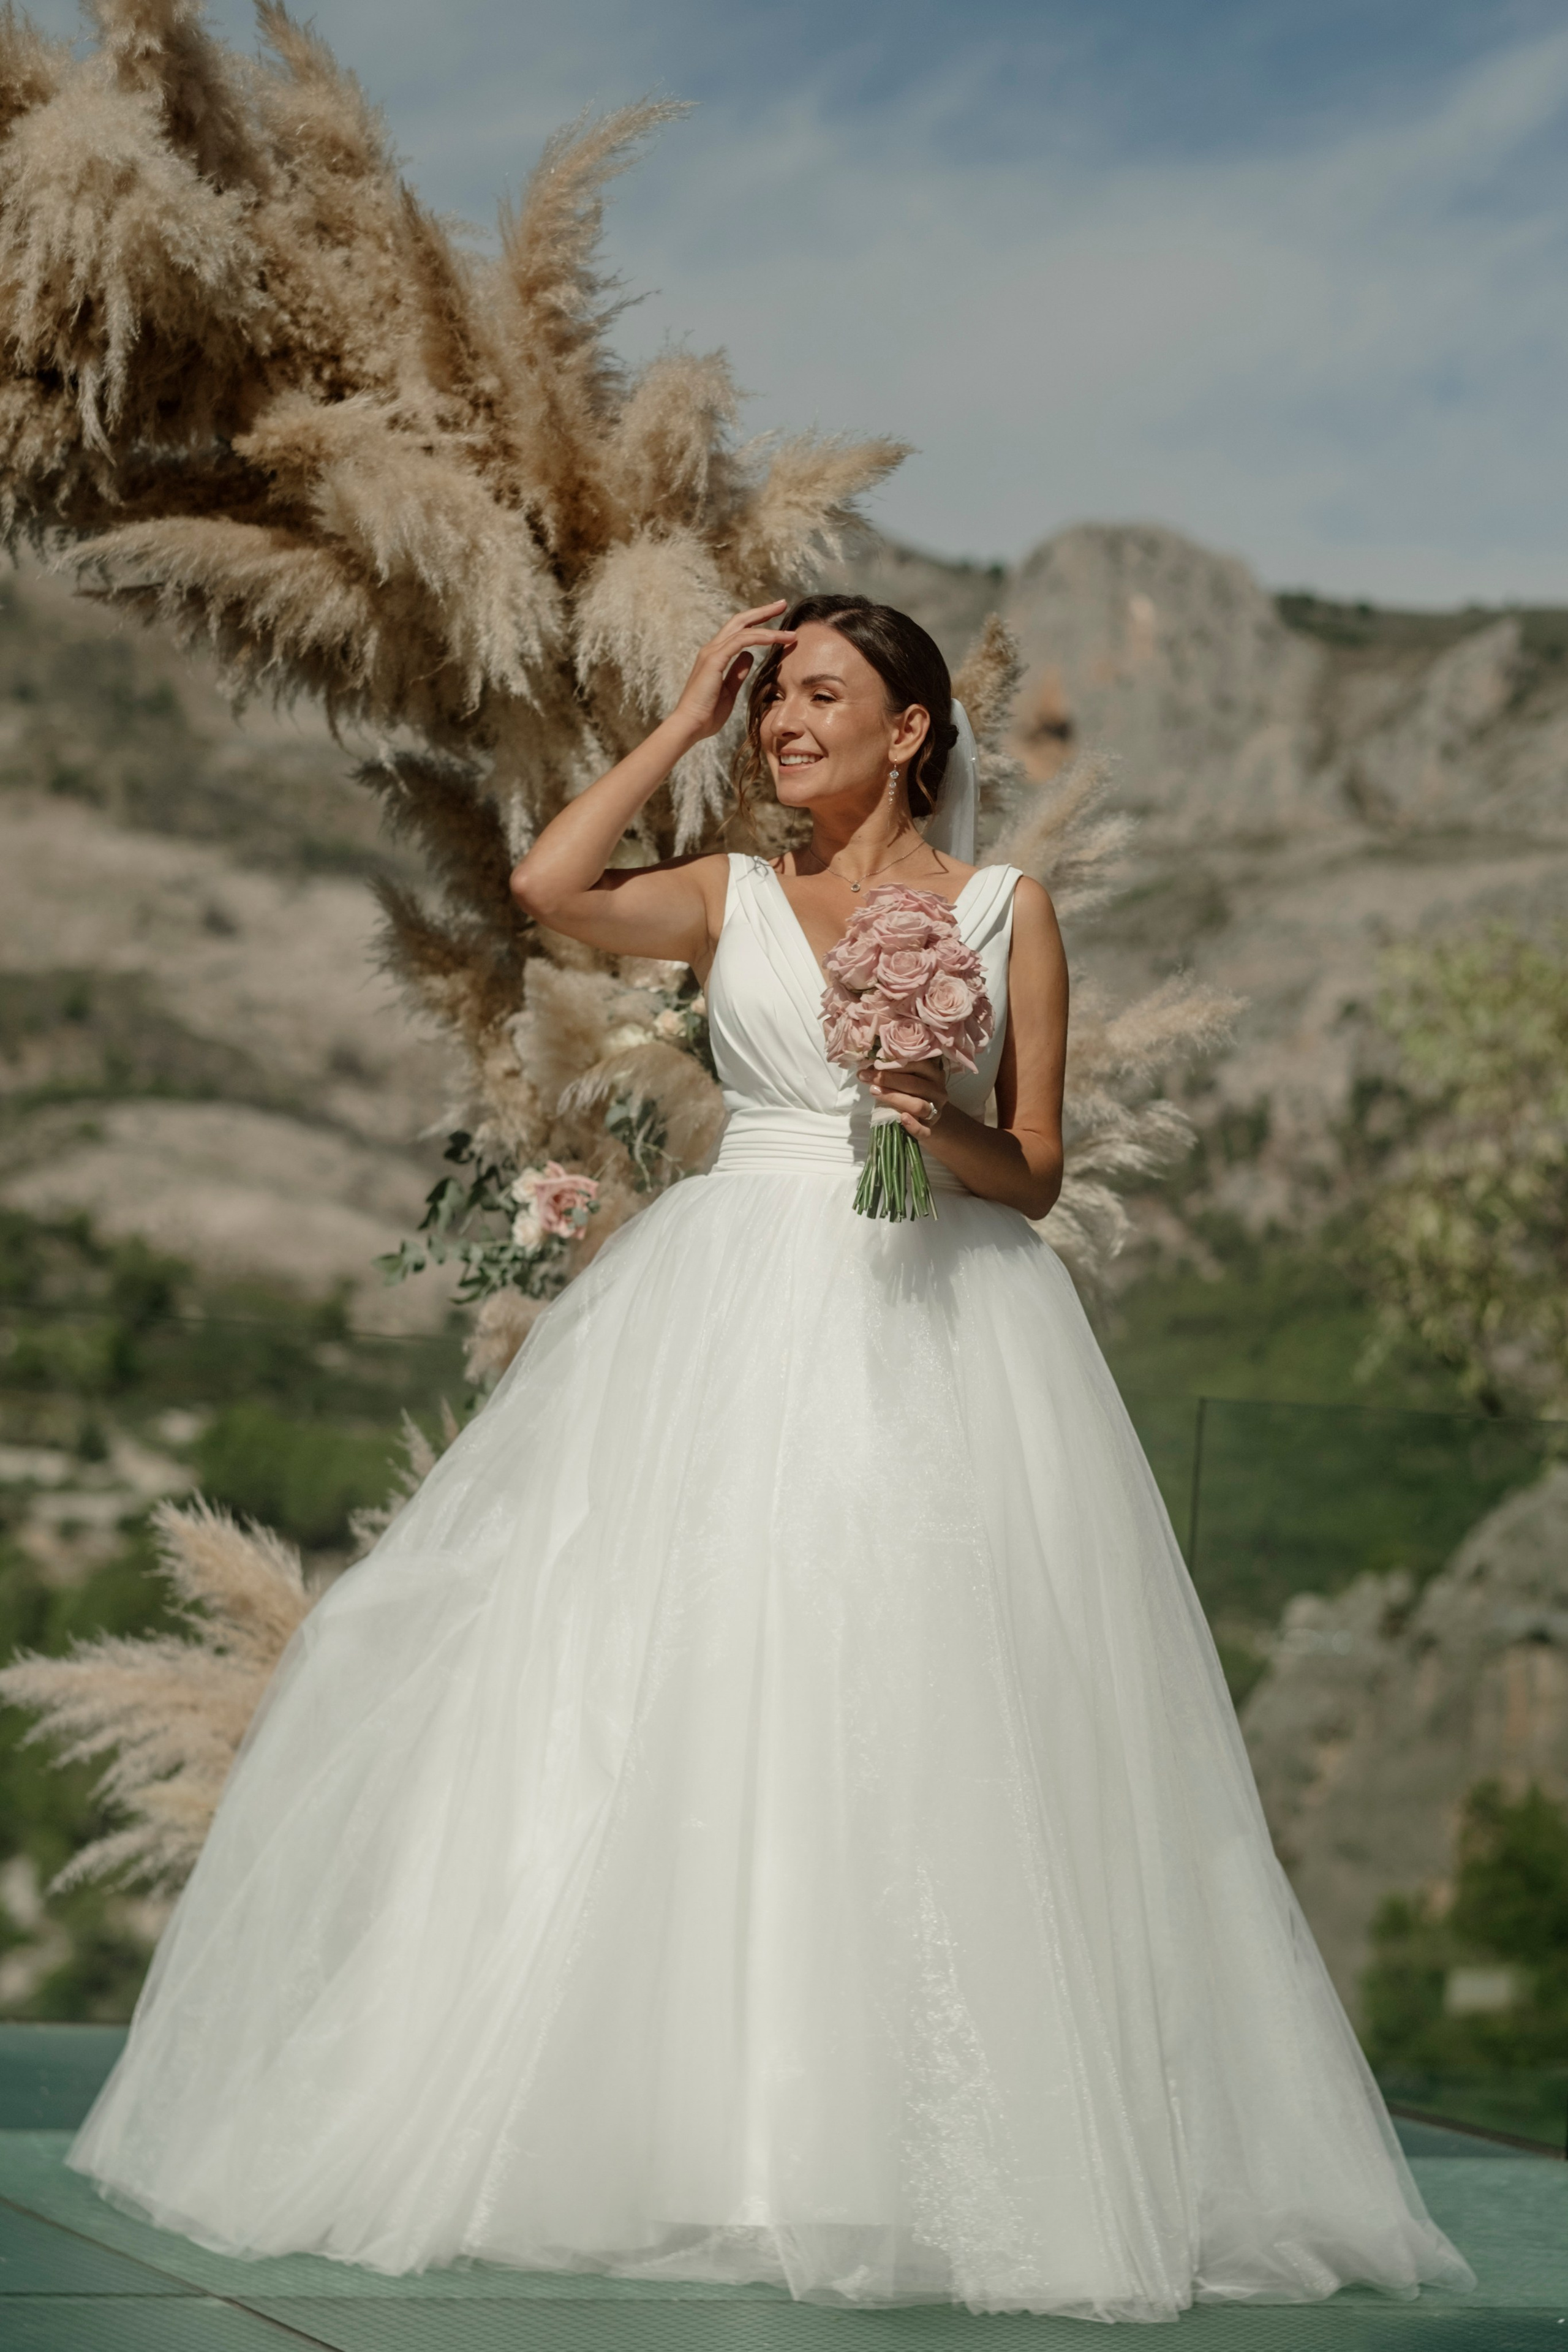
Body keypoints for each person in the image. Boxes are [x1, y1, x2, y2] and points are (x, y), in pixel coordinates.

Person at [68, 595, 1472, 2320]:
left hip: (939, 1316)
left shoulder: (1000, 909)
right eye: (773, 699)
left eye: (819, 695)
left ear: (914, 732)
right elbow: (548, 890)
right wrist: (675, 723)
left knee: (917, 1701)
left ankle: (897, 2145)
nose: (783, 723)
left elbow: (1030, 1167)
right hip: (721, 1311)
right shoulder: (730, 894)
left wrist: (919, 1114)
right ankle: (702, 2132)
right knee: (694, 1681)